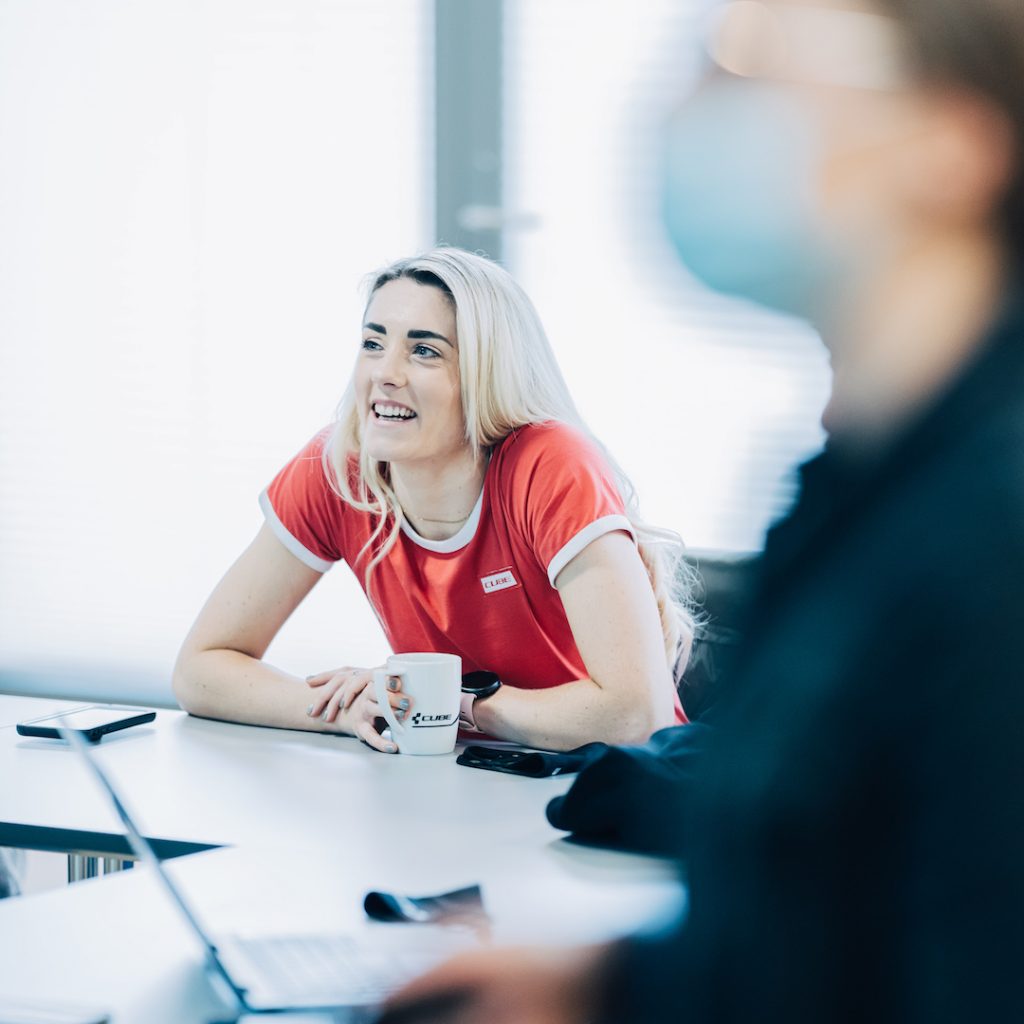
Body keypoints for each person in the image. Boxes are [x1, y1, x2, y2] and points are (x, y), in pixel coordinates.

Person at [378, 0, 1024, 1020]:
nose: (691, 106)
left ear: (951, 146)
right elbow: (830, 918)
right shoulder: (853, 496)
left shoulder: (991, 531)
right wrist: (596, 988)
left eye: (753, 64)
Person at [173, 248, 694, 753]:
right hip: (456, 780)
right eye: (373, 344)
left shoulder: (550, 463)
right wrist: (349, 711)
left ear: (487, 375)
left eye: (424, 351)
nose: (385, 373)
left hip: (608, 790)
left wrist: (450, 704)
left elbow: (634, 716)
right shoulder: (339, 468)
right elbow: (201, 669)